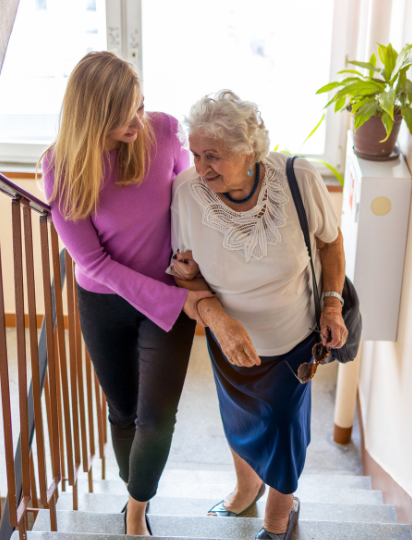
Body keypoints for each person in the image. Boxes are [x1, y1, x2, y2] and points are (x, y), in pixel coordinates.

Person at [41, 51, 213, 537]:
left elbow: (189, 196)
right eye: (125, 115)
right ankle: (134, 486)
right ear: (94, 115)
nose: (138, 120)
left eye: (140, 106)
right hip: (105, 303)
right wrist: (177, 302)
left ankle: (136, 509)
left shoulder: (161, 130)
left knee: (157, 417)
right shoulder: (61, 168)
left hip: (167, 293)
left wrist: (191, 262)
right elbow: (93, 262)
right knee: (123, 412)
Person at [169, 90, 348, 540]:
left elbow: (330, 242)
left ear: (249, 150)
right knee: (241, 420)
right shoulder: (187, 193)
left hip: (295, 341)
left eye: (214, 155)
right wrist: (217, 319)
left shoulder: (297, 177)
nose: (201, 166)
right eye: (195, 154)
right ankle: (246, 488)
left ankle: (277, 516)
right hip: (228, 341)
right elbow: (185, 274)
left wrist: (331, 303)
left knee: (286, 428)